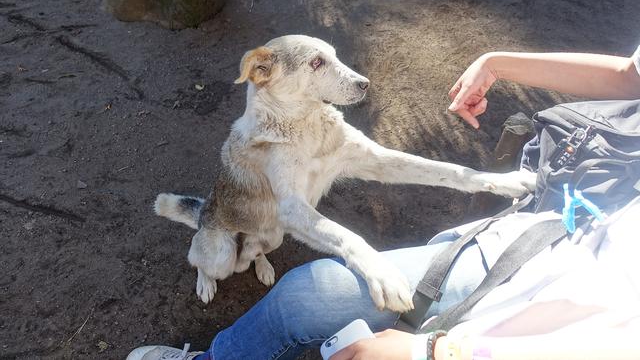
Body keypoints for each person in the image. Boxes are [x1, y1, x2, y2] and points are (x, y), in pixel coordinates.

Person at [127, 45, 640, 360]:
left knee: (296, 281)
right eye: (318, 63)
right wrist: (496, 61)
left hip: (590, 283)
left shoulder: (323, 124)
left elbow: (385, 162)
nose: (353, 77)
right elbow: (630, 75)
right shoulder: (262, 140)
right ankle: (212, 289)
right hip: (564, 226)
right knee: (225, 262)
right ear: (264, 75)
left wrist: (438, 352)